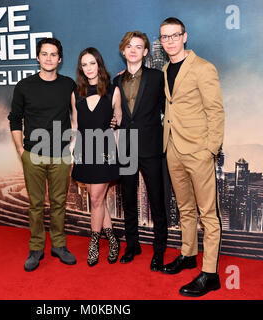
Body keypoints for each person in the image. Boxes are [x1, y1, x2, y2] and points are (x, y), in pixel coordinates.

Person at [159, 17, 225, 297]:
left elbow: (216, 111)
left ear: (185, 37)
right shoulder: (164, 69)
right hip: (173, 148)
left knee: (208, 214)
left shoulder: (203, 68)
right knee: (185, 208)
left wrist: (210, 149)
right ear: (160, 41)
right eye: (165, 37)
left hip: (198, 149)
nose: (170, 40)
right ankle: (188, 255)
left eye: (175, 35)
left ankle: (210, 273)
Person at [8, 37, 77, 272]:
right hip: (33, 155)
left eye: (53, 54)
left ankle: (59, 245)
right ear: (38, 58)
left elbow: (76, 114)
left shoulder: (68, 85)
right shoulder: (24, 86)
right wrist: (20, 150)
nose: (49, 58)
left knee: (59, 204)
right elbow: (15, 120)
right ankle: (36, 248)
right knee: (35, 205)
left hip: (60, 155)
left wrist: (72, 146)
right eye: (44, 54)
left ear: (60, 59)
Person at [113, 31, 168, 271]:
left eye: (139, 46)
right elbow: (114, 113)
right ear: (123, 50)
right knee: (128, 198)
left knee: (157, 200)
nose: (133, 50)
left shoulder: (157, 77)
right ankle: (132, 245)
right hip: (126, 146)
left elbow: (169, 109)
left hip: (151, 146)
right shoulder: (115, 81)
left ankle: (159, 250)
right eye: (129, 46)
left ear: (146, 52)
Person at [70, 47, 122, 266]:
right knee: (97, 199)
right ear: (81, 68)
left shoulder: (113, 91)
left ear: (99, 64)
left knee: (95, 200)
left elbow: (118, 124)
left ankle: (94, 243)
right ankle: (112, 237)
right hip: (83, 150)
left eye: (92, 63)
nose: (89, 68)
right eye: (84, 64)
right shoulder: (76, 94)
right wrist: (73, 155)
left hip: (104, 151)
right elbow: (74, 126)